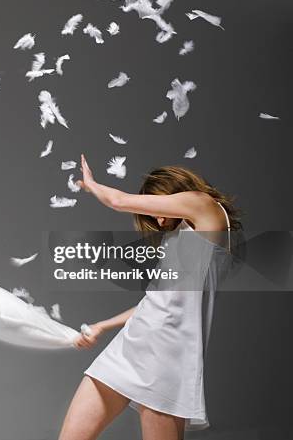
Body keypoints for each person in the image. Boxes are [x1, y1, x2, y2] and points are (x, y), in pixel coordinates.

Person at [58, 154, 241, 440]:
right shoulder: (178, 237)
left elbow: (118, 201)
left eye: (158, 206)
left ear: (174, 191)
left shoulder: (203, 206)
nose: (157, 218)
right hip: (129, 346)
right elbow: (156, 301)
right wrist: (102, 326)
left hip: (166, 357)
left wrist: (92, 184)